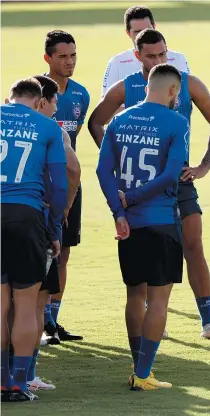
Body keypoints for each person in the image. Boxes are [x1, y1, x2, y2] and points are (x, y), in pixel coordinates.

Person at [89, 29, 210, 341]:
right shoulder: (127, 87)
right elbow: (96, 121)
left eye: (162, 54)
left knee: (193, 245)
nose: (157, 60)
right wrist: (117, 158)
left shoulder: (187, 82)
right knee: (149, 252)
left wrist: (204, 166)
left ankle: (208, 321)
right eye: (150, 55)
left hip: (178, 179)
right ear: (137, 55)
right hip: (140, 186)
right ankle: (155, 322)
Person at [97, 64, 189, 390]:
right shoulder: (177, 123)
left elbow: (102, 171)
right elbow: (169, 175)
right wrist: (134, 198)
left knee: (135, 294)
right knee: (159, 300)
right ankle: (144, 373)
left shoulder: (119, 120)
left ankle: (137, 367)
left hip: (130, 225)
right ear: (173, 91)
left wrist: (119, 211)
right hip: (162, 220)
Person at [1, 78, 68, 401]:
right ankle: (18, 384)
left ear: (8, 98)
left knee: (0, 306)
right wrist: (53, 229)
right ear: (39, 100)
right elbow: (58, 186)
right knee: (26, 305)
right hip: (26, 216)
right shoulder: (48, 128)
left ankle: (0, 380)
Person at [25, 75, 81, 392]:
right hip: (39, 222)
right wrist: (63, 211)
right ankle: (26, 374)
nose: (58, 106)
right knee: (34, 303)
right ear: (43, 101)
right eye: (55, 100)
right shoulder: (53, 133)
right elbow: (72, 171)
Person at [43, 30, 90, 342]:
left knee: (64, 254)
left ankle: (53, 322)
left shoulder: (80, 95)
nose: (69, 61)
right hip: (41, 185)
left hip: (70, 182)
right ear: (47, 58)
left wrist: (70, 194)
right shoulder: (36, 91)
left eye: (73, 55)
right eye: (62, 56)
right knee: (42, 254)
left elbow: (73, 141)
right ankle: (39, 320)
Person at [102, 5, 190, 98]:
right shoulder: (117, 63)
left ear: (154, 27)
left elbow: (186, 98)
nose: (144, 35)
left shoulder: (178, 59)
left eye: (147, 29)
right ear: (128, 33)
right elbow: (107, 103)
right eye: (137, 32)